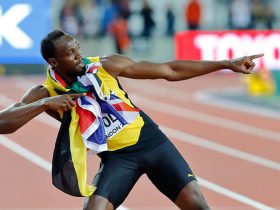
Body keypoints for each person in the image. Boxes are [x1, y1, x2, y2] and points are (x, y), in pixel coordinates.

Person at [0, 30, 263, 210]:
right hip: (117, 158)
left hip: (151, 143)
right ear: (53, 62)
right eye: (71, 54)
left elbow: (169, 70)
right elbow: (3, 123)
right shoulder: (45, 93)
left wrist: (225, 63)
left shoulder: (105, 66)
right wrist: (44, 104)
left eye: (78, 48)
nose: (79, 55)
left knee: (197, 205)